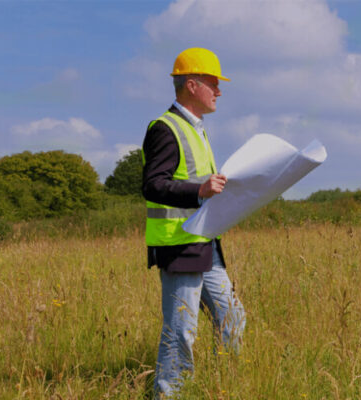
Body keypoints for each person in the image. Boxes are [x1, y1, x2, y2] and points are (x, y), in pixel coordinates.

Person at [141, 47, 246, 398]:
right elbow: (153, 185)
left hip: (205, 244)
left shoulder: (196, 129)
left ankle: (224, 388)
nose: (219, 91)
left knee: (233, 318)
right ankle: (168, 394)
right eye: (213, 83)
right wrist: (198, 190)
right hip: (179, 245)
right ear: (191, 85)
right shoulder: (165, 128)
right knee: (180, 331)